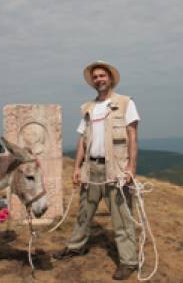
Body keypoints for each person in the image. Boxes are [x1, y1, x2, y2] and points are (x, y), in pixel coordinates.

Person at [53, 60, 140, 280]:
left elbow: (132, 137)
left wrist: (131, 168)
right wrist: (76, 168)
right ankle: (75, 247)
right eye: (95, 77)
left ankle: (129, 262)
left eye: (102, 76)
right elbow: (82, 140)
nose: (98, 79)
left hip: (116, 169)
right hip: (91, 168)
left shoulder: (125, 103)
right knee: (84, 212)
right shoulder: (88, 108)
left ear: (110, 78)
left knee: (122, 217)